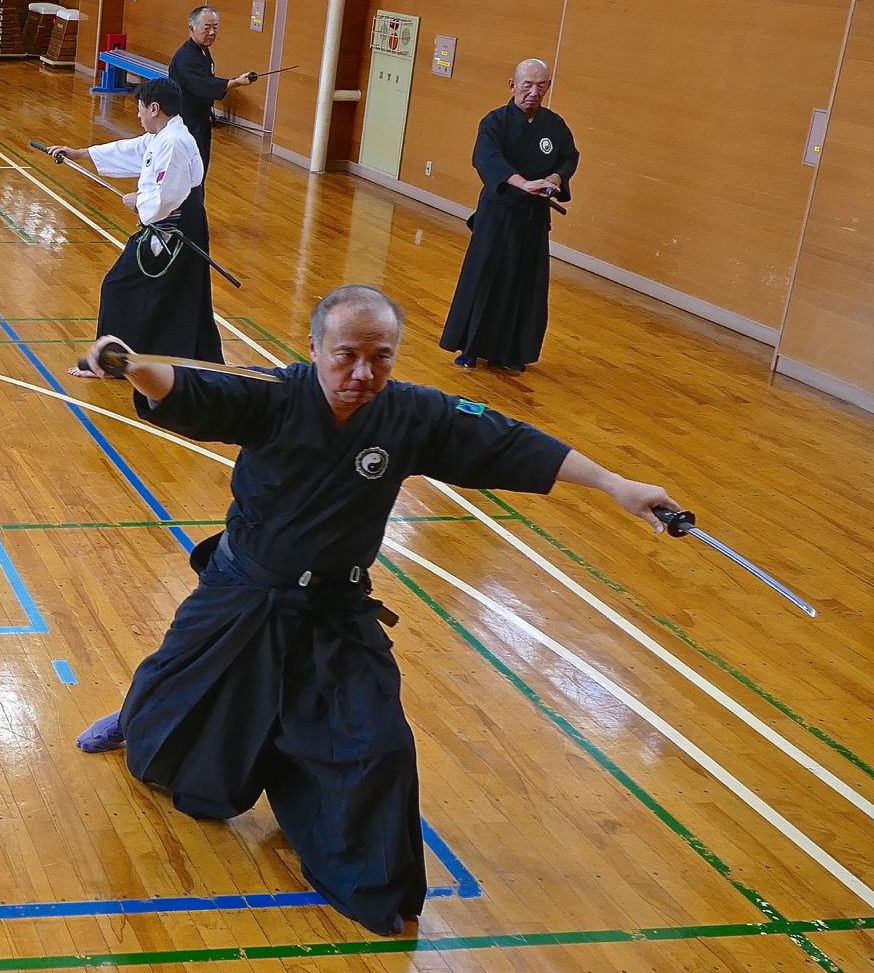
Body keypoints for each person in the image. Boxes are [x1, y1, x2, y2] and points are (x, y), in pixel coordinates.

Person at [75, 285, 679, 936]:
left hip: (336, 608)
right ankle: (137, 716)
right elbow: (190, 389)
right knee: (176, 682)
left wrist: (617, 484)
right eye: (346, 356)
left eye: (380, 357)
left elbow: (511, 442)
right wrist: (129, 363)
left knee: (378, 743)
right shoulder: (274, 398)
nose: (363, 373)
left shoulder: (412, 415)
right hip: (243, 591)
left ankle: (370, 881)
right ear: (314, 349)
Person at [48, 79, 223, 378]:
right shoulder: (164, 135)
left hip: (174, 230)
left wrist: (140, 201)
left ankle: (109, 361)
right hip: (174, 227)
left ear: (155, 108)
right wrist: (80, 153)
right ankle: (185, 359)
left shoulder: (175, 142)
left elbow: (168, 194)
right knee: (179, 294)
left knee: (119, 285)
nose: (138, 115)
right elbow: (132, 150)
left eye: (141, 109)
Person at [439, 58, 579, 373]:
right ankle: (470, 348)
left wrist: (554, 180)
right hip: (498, 214)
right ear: (512, 85)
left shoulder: (554, 126)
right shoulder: (494, 122)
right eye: (527, 84)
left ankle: (511, 352)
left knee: (525, 285)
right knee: (485, 279)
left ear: (548, 87)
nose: (533, 91)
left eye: (540, 85)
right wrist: (523, 183)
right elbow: (486, 158)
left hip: (533, 219)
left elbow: (569, 158)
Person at [169, 5, 255, 178]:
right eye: (206, 28)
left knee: (200, 165)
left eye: (215, 27)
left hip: (200, 119)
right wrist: (235, 82)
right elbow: (202, 85)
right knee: (190, 168)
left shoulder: (202, 51)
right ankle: (186, 205)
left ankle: (195, 204)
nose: (212, 32)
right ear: (191, 28)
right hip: (187, 121)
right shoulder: (186, 56)